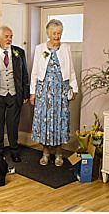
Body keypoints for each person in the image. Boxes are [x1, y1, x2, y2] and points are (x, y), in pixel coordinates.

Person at [29, 18, 78, 167]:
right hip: (43, 91)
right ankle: (45, 153)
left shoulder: (66, 48)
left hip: (60, 91)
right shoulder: (40, 48)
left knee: (59, 121)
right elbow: (35, 72)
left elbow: (70, 69)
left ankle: (58, 154)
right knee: (45, 122)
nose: (57, 36)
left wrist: (74, 87)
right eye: (54, 33)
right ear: (48, 33)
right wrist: (33, 92)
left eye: (59, 33)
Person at [0, 24, 29, 163]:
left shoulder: (19, 52)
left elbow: (25, 74)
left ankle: (14, 150)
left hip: (15, 95)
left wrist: (25, 94)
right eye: (7, 37)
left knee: (13, 124)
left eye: (11, 37)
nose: (9, 39)